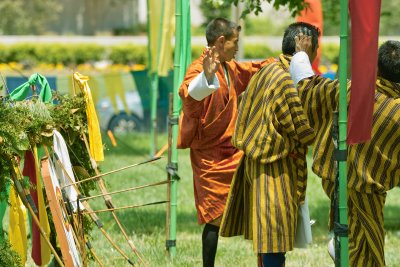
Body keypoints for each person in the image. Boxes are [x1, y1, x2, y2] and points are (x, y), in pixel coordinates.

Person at [291, 34, 400, 266]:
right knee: (366, 253)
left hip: (336, 181)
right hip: (367, 191)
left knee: (351, 240)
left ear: (377, 69)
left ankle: (338, 248)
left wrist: (301, 55)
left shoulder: (349, 91)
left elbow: (308, 89)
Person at [219, 22, 319, 267]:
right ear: (305, 46)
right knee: (273, 242)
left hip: (262, 165)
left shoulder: (266, 70)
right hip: (274, 169)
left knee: (270, 242)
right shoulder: (283, 77)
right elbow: (304, 130)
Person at [177, 18, 274, 266]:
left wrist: (280, 63)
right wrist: (205, 79)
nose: (237, 48)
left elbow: (252, 70)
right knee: (214, 218)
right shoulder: (200, 68)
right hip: (210, 158)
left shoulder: (229, 68)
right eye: (235, 42)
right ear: (221, 41)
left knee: (259, 208)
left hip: (235, 153)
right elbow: (188, 96)